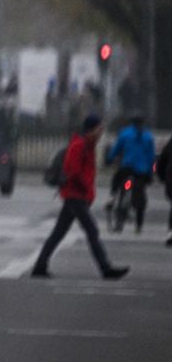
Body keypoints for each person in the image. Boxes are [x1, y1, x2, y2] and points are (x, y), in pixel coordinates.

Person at [31, 114, 128, 279]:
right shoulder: (79, 146)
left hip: (78, 195)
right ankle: (106, 268)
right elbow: (73, 172)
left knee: (59, 233)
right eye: (99, 129)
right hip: (75, 195)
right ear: (91, 130)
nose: (101, 132)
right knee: (92, 230)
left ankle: (40, 266)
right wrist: (84, 188)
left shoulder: (88, 146)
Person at [104, 113, 156, 232]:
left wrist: (109, 159)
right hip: (142, 171)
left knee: (117, 179)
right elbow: (151, 157)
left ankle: (112, 196)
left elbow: (116, 149)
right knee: (141, 196)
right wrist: (151, 172)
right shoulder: (148, 136)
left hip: (127, 167)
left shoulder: (125, 133)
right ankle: (139, 225)